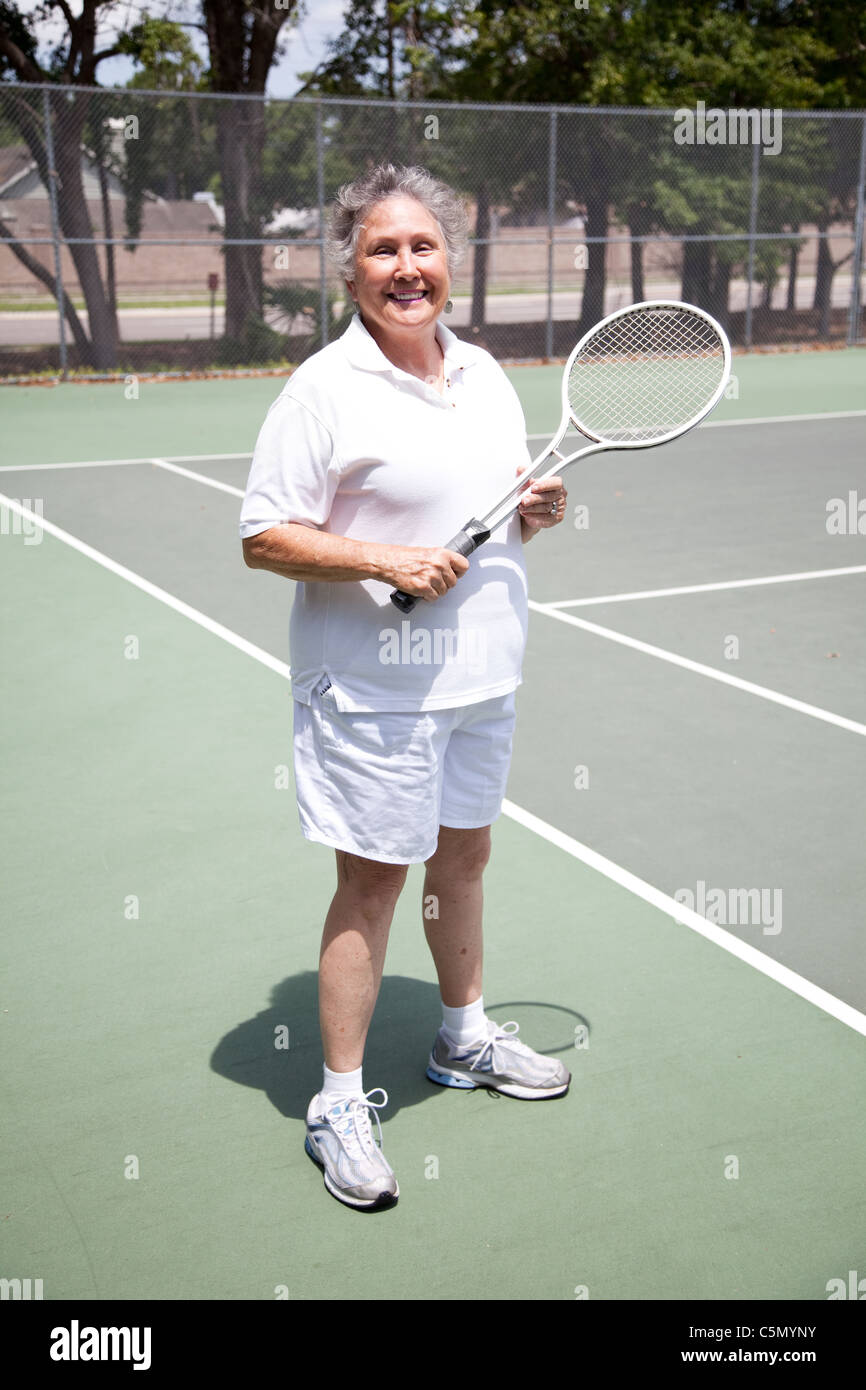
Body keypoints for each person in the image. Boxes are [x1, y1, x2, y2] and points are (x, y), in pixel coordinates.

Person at [240, 163, 570, 1212]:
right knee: (374, 882)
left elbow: (490, 509)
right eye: (382, 249)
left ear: (449, 259)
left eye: (421, 246)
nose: (405, 267)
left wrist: (533, 511)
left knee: (463, 861)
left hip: (483, 678)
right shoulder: (322, 390)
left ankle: (461, 1035)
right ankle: (339, 1102)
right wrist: (381, 562)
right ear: (349, 268)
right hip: (373, 694)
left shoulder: (482, 372)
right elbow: (261, 536)